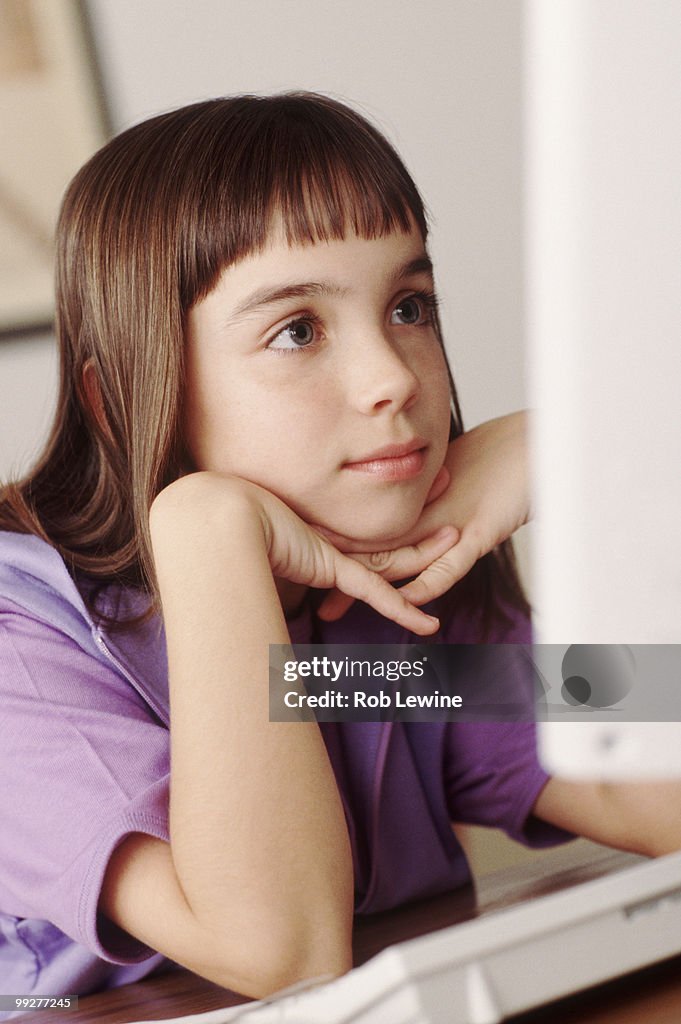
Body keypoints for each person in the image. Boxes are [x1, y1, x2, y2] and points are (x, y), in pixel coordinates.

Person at [0, 93, 678, 1009]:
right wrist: (206, 528)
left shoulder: (375, 630)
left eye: (409, 306)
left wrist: (609, 450)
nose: (393, 379)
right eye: (297, 331)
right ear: (121, 399)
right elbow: (280, 951)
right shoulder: (21, 644)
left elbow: (656, 788)